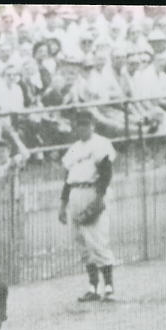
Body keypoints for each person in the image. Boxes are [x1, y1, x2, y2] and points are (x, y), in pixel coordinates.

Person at [58, 108, 118, 301]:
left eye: (86, 124)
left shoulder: (101, 144)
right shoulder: (74, 148)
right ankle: (93, 288)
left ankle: (108, 286)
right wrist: (62, 204)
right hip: (75, 192)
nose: (82, 128)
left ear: (93, 125)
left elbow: (106, 173)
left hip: (92, 191)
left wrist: (99, 198)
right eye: (79, 125)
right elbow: (68, 179)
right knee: (82, 243)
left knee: (98, 239)